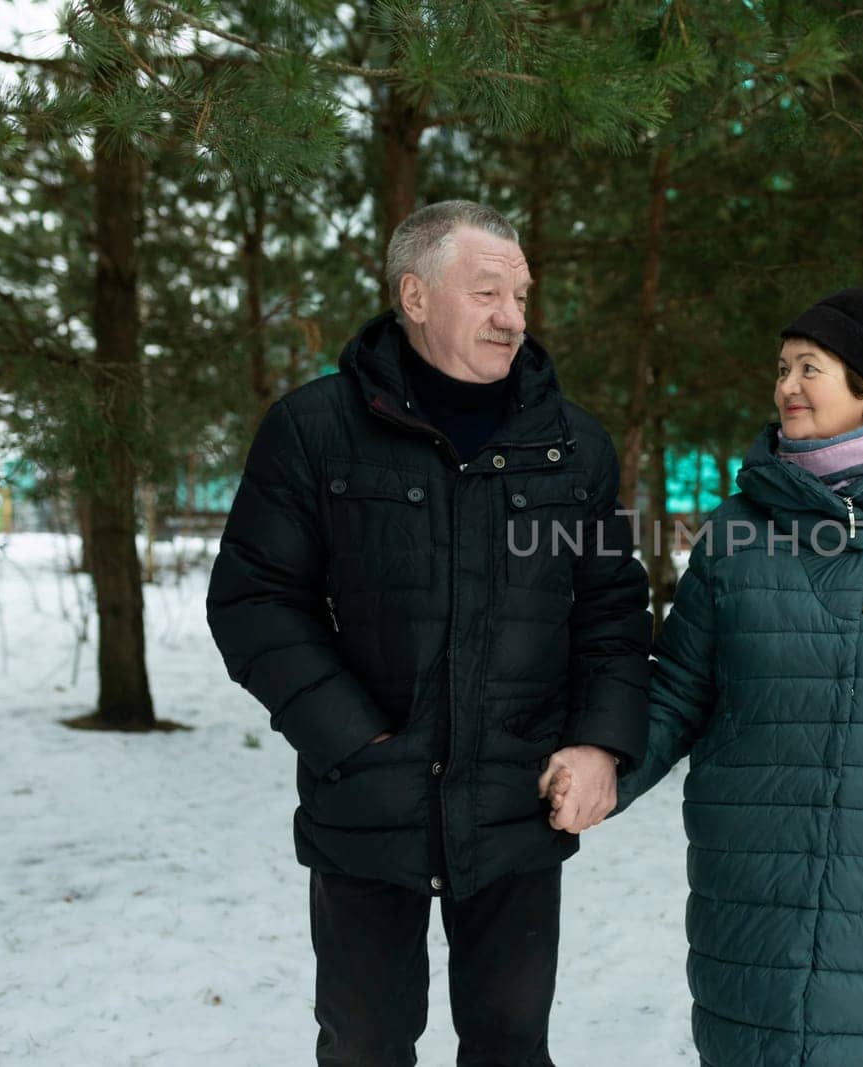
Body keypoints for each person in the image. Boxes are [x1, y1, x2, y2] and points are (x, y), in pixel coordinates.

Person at [548, 287, 863, 1066]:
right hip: (753, 884)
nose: (785, 385)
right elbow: (679, 688)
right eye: (781, 367)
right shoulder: (734, 532)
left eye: (809, 368)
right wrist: (603, 767)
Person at [206, 199, 650, 1066]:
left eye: (521, 295)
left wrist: (599, 744)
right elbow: (254, 599)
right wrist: (354, 738)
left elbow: (611, 609)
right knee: (365, 1043)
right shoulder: (315, 430)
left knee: (511, 1043)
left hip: (518, 804)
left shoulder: (572, 448)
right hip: (369, 803)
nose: (513, 317)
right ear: (414, 295)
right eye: (487, 292)